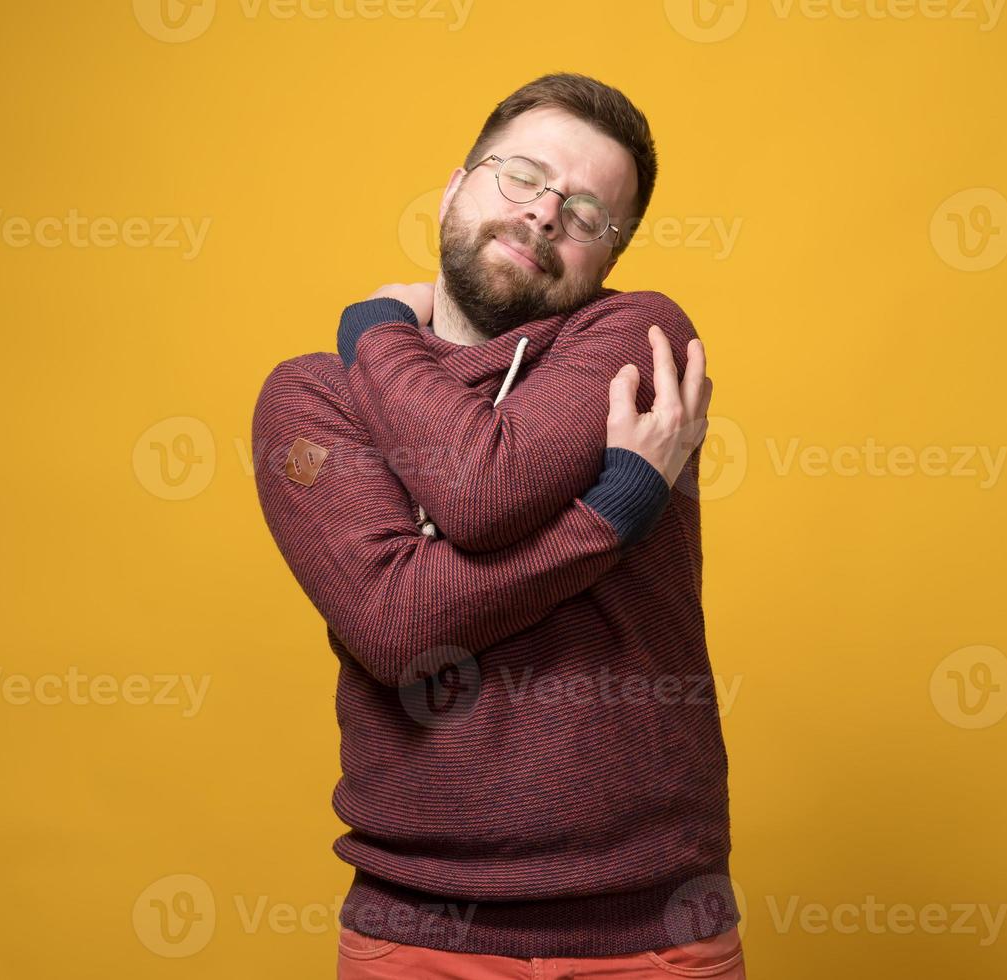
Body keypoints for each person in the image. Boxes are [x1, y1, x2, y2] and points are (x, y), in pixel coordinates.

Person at [251, 72, 743, 978]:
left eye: (589, 210)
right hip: (418, 939)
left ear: (609, 254)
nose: (547, 213)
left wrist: (373, 330)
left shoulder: (635, 339)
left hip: (654, 934)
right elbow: (401, 626)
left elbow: (479, 485)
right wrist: (612, 510)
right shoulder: (312, 398)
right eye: (523, 174)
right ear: (455, 185)